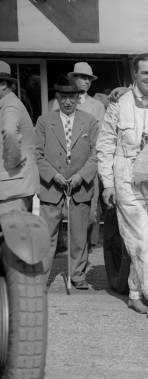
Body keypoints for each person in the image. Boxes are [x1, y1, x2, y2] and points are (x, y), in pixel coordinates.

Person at [97, 53, 148, 318]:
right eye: (145, 73)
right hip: (127, 176)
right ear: (134, 74)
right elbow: (105, 145)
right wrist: (107, 184)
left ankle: (134, 294)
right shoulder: (118, 105)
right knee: (142, 238)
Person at [35, 76, 99, 289]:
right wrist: (54, 175)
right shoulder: (44, 121)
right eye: (63, 97)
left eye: (72, 97)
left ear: (78, 98)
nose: (68, 102)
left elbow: (96, 154)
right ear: (58, 98)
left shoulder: (90, 121)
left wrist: (81, 176)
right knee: (47, 234)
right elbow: (37, 154)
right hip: (52, 186)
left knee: (79, 234)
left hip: (80, 186)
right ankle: (42, 277)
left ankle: (77, 275)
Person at [50, 62, 106, 250]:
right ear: (72, 78)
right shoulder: (56, 103)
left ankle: (86, 247)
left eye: (89, 78)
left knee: (89, 208)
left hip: (87, 165)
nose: (86, 81)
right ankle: (59, 244)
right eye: (82, 77)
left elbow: (102, 137)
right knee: (57, 207)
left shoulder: (97, 105)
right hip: (61, 164)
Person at [0, 60, 39, 214]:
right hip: (12, 187)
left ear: (3, 84)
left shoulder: (10, 106)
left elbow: (10, 132)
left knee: (13, 236)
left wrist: (11, 163)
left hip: (13, 187)